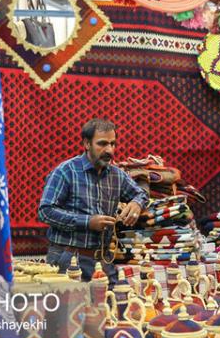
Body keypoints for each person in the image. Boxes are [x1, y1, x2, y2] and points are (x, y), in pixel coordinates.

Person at [38, 118, 149, 284]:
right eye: (102, 144)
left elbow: (141, 193)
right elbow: (45, 211)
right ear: (87, 144)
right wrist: (87, 222)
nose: (109, 150)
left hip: (102, 260)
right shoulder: (66, 171)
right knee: (70, 309)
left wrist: (137, 203)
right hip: (68, 259)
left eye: (112, 144)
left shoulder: (116, 175)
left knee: (113, 305)